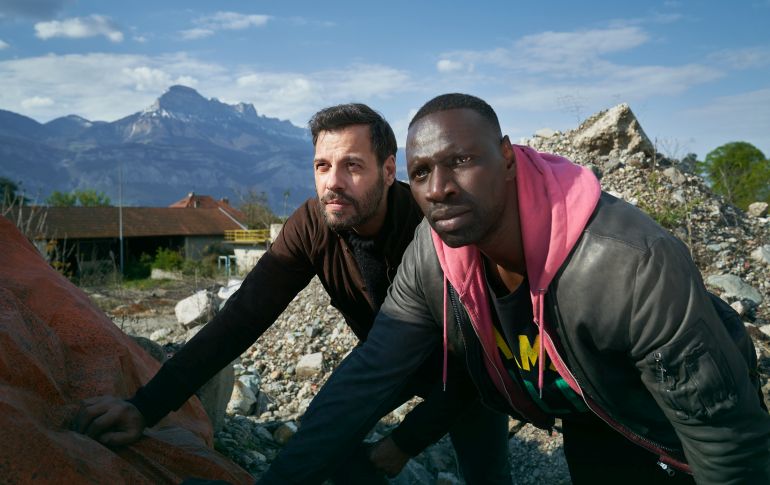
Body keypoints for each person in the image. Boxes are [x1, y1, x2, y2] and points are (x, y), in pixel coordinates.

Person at [258, 94, 770, 484]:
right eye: (422, 172)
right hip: (591, 418)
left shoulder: (627, 263)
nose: (439, 188)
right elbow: (368, 374)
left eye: (461, 161)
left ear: (506, 158)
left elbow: (725, 442)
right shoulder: (433, 255)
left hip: (668, 424)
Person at [72, 103, 511, 484]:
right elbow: (241, 318)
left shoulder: (434, 223)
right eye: (322, 166)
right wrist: (144, 407)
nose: (333, 182)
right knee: (324, 433)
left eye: (352, 166)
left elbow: (488, 356)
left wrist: (400, 444)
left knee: (485, 472)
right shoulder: (313, 225)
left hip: (471, 372)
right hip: (382, 366)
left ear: (388, 169)